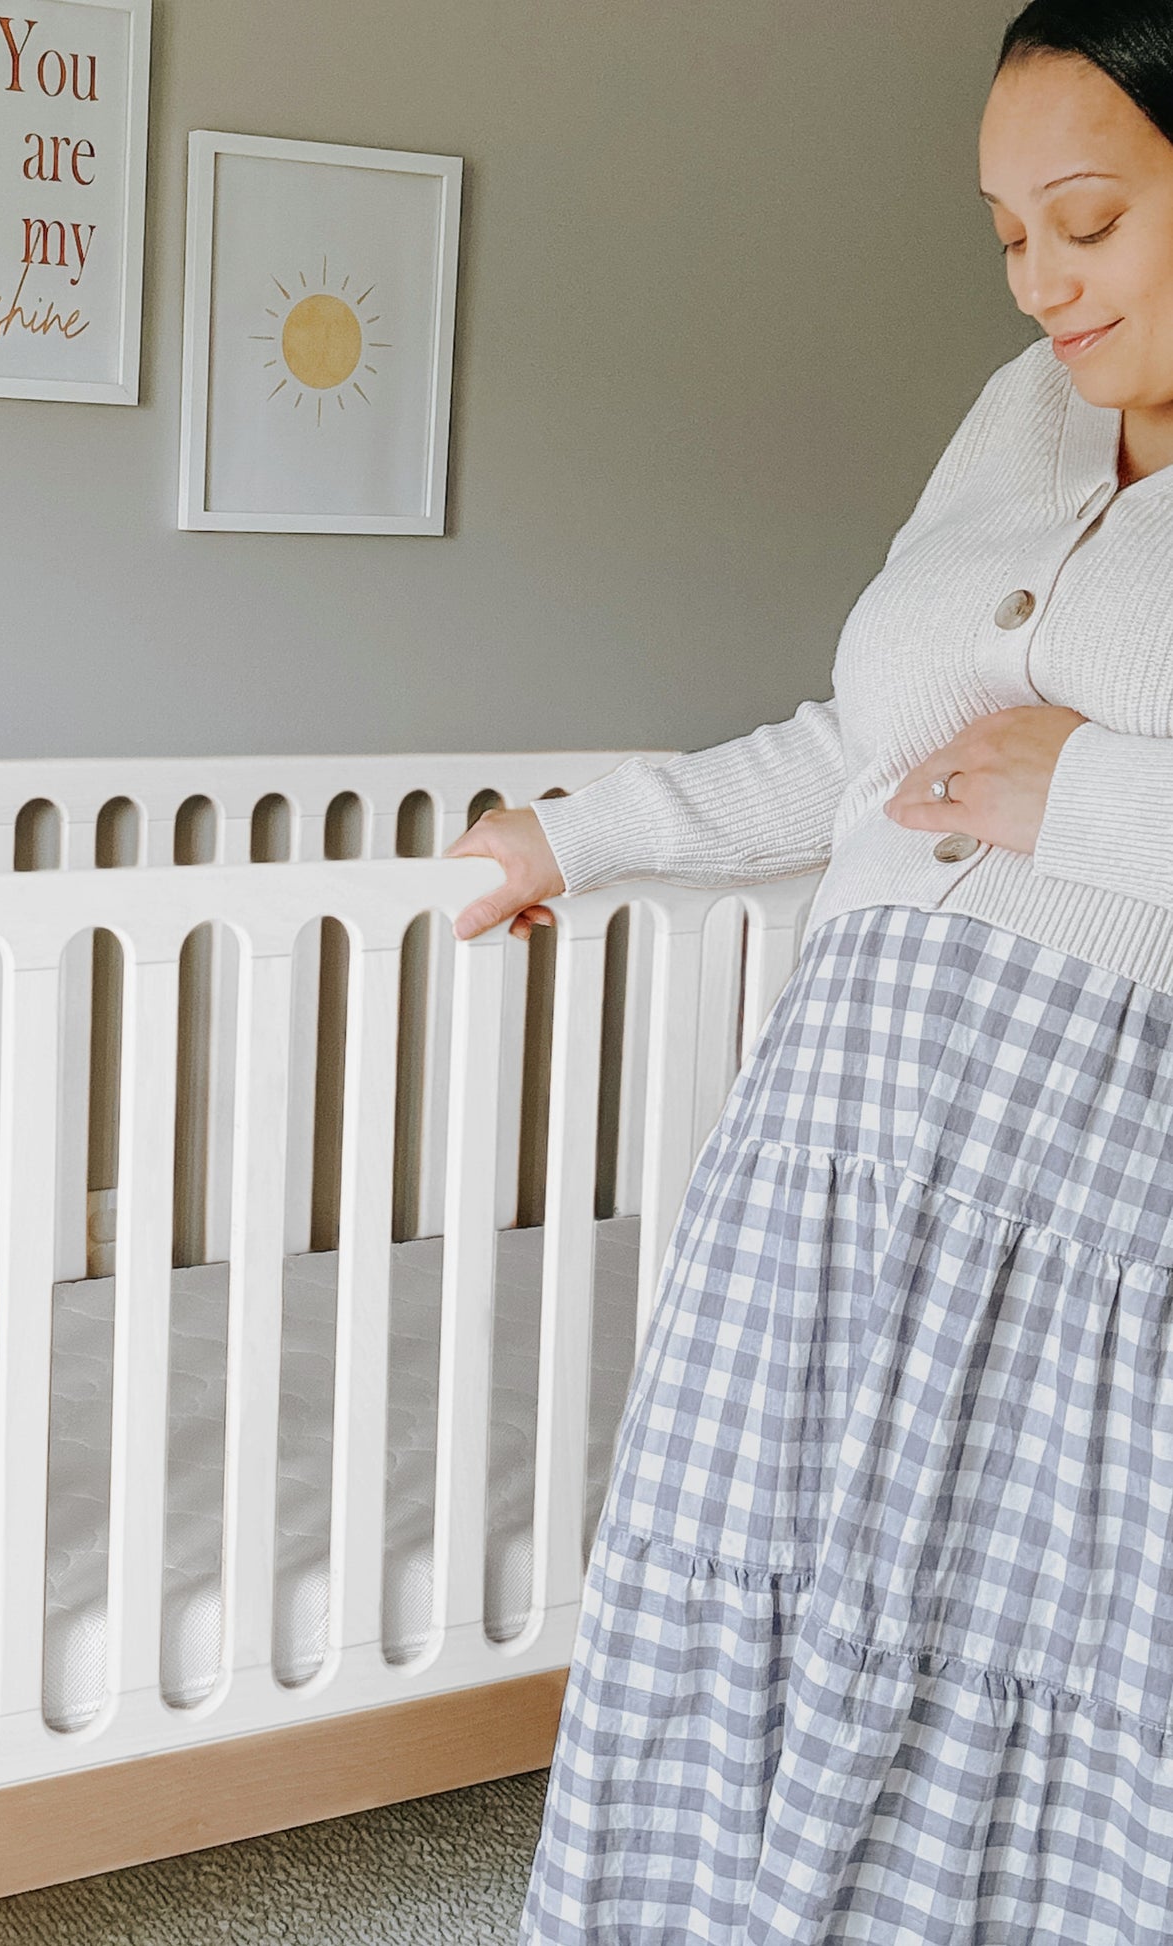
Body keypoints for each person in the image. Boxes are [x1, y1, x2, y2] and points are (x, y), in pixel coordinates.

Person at [448, 5, 1173, 1938]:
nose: (1040, 284)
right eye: (1007, 233)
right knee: (732, 1578)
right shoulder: (1018, 417)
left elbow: (1034, 780)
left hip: (1084, 1182)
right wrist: (576, 833)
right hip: (831, 1141)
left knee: (1002, 1644)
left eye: (1085, 221)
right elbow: (863, 742)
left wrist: (1087, 794)